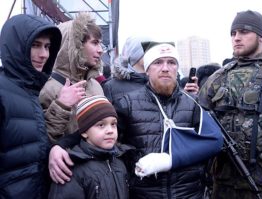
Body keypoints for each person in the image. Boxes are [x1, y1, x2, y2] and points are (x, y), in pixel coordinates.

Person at [47, 41, 223, 198]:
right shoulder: (128, 103)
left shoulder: (193, 103)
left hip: (189, 193)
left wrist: (168, 160)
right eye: (158, 62)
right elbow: (97, 129)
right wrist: (60, 146)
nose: (165, 68)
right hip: (143, 194)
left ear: (177, 68)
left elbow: (215, 140)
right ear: (147, 69)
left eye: (171, 62)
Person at [198, 10, 262, 199]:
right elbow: (198, 124)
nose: (237, 38)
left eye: (244, 32)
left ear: (260, 36)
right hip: (224, 183)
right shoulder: (217, 78)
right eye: (233, 33)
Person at [0, 14, 61, 198]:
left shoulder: (29, 90)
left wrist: (56, 149)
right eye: (35, 45)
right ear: (17, 45)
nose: (44, 54)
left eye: (47, 46)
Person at [48, 95, 132, 199]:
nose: (110, 130)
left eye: (113, 124)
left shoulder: (120, 162)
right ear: (84, 132)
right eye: (101, 125)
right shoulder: (72, 169)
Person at [39, 12, 105, 142]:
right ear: (76, 46)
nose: (101, 50)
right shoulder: (47, 88)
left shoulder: (95, 85)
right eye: (95, 43)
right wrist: (61, 106)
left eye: (100, 44)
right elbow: (43, 140)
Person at [102, 36, 151, 105]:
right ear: (134, 53)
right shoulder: (111, 87)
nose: (152, 54)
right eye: (147, 50)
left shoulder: (157, 82)